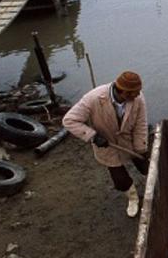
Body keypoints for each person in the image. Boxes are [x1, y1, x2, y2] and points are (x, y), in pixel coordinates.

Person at [63, 71, 148, 218]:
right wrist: (93, 136)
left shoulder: (138, 98)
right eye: (134, 94)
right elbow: (69, 120)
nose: (138, 95)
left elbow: (141, 123)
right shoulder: (93, 98)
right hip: (107, 144)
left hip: (129, 140)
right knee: (120, 179)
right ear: (124, 92)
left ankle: (153, 183)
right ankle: (133, 197)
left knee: (145, 165)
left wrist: (141, 148)